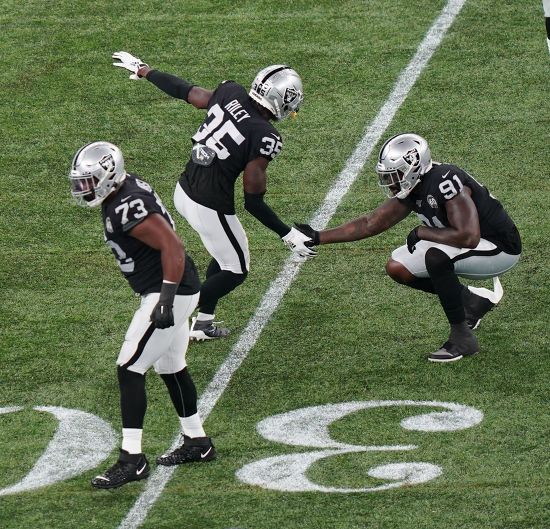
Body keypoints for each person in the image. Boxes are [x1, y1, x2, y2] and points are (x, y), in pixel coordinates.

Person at [112, 51, 316, 341]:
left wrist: (147, 71)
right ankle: (164, 308)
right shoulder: (265, 136)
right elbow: (253, 201)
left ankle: (203, 324)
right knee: (237, 269)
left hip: (184, 189)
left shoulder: (230, 92)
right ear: (281, 101)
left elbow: (188, 92)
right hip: (208, 204)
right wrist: (288, 234)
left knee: (224, 257)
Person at [296, 133, 522, 363]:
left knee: (436, 256)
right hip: (468, 243)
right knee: (398, 267)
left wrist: (422, 231)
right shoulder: (415, 186)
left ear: (414, 168)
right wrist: (318, 236)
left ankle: (463, 338)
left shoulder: (445, 181)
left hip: (499, 248)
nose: (391, 183)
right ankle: (471, 302)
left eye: (394, 176)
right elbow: (371, 223)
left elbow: (468, 237)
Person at [69, 141, 216, 490]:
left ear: (108, 176)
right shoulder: (122, 193)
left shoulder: (126, 205)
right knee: (170, 366)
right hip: (175, 287)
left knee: (129, 367)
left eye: (88, 181)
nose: (82, 188)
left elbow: (173, 247)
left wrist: (165, 299)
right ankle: (197, 442)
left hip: (170, 290)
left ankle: (132, 459)